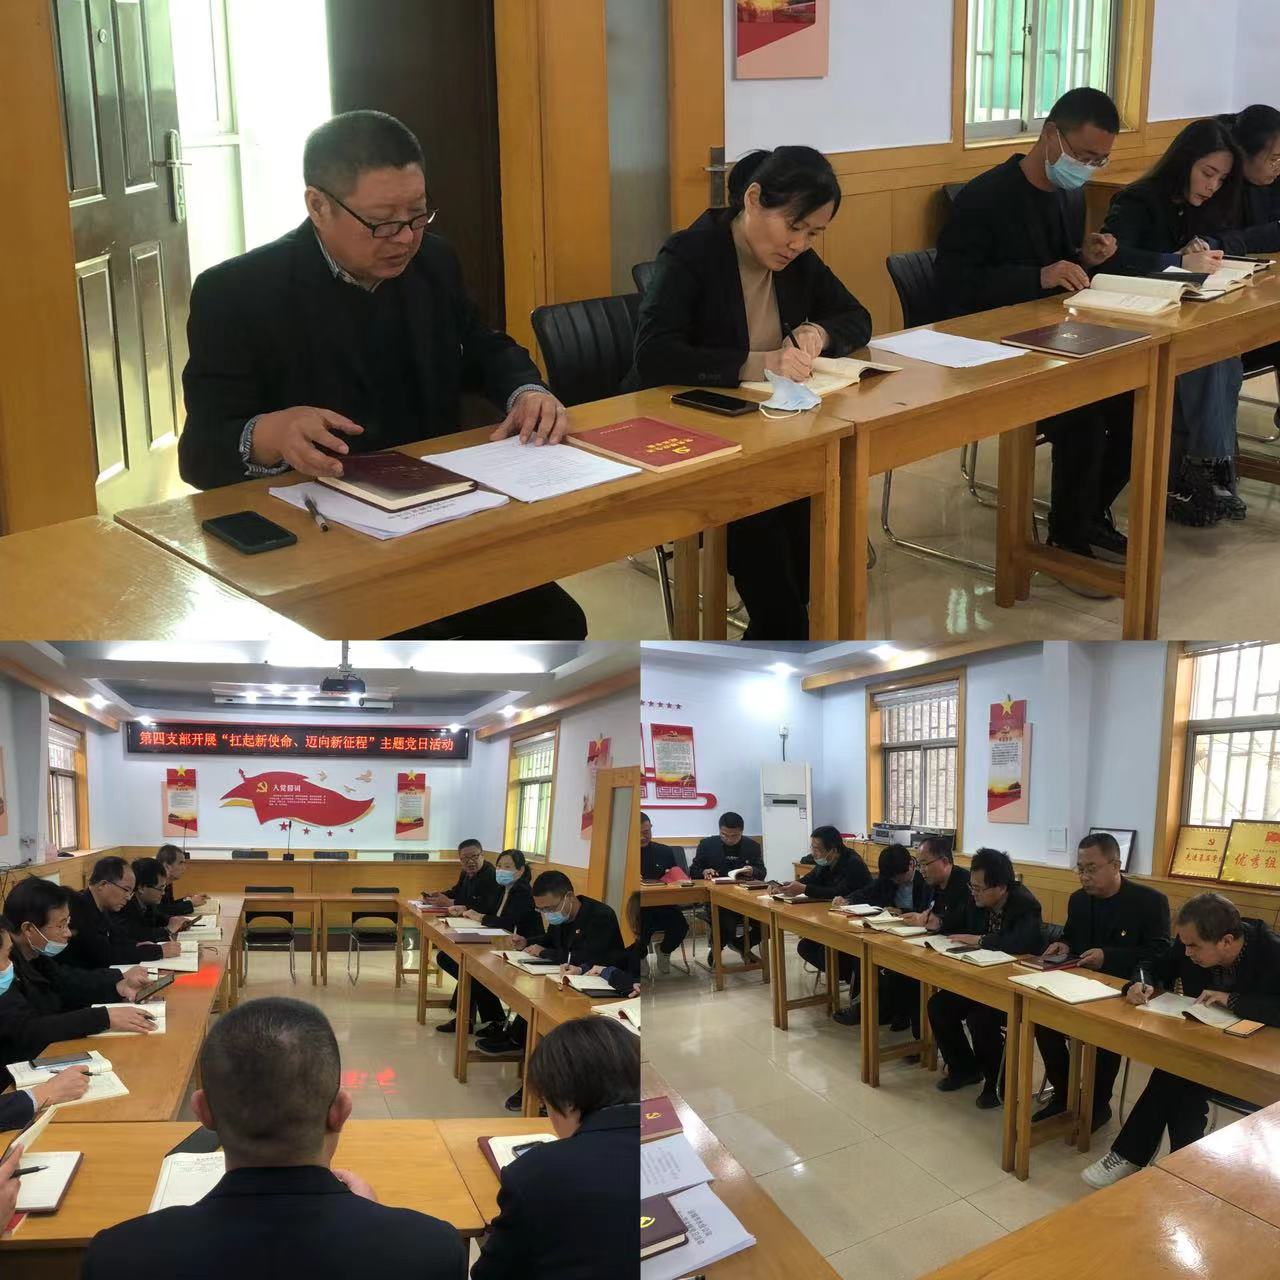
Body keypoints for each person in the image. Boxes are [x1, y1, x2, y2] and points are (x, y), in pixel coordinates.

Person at [179, 109, 584, 641]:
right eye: (382, 221)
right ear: (318, 205)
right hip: (319, 544)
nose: (405, 238)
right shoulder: (237, 293)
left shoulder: (433, 262)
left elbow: (481, 345)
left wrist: (526, 391)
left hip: (435, 519)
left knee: (557, 625)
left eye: (418, 215)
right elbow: (200, 452)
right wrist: (271, 434)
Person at [628, 146, 873, 638]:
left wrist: (817, 333)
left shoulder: (797, 261)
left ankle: (775, 640)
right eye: (794, 226)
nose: (799, 244)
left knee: (816, 551)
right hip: (697, 437)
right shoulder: (691, 253)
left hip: (774, 434)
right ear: (754, 199)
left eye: (813, 234)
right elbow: (655, 355)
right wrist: (760, 363)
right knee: (778, 585)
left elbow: (856, 316)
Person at [81, 996, 467, 1278]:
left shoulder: (118, 1258)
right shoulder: (430, 1249)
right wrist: (372, 1220)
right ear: (340, 1111)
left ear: (203, 1112)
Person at [936, 87, 1132, 581]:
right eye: (1083, 155)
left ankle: (1089, 513)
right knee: (1084, 414)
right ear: (1050, 136)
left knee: (1135, 400)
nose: (1087, 168)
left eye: (1100, 160)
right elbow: (954, 285)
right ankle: (1066, 537)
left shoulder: (1067, 195)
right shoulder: (984, 197)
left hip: (1050, 339)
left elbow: (1058, 264)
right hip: (987, 348)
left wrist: (1085, 258)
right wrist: (1038, 277)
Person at [1102, 118, 1246, 525]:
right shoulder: (1138, 199)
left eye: (1221, 178)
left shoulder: (1201, 205)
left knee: (1223, 350)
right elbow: (1111, 260)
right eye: (1208, 173)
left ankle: (1203, 468)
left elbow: (1206, 244)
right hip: (1128, 318)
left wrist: (1201, 250)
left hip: (1175, 316)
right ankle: (1205, 467)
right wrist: (1176, 261)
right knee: (1205, 357)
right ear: (1185, 162)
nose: (1213, 186)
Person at [1083, 893, 1280, 1189]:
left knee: (1177, 1072)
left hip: (1256, 1060)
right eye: (1184, 944)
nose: (1186, 953)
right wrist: (1140, 982)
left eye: (1193, 946)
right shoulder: (1188, 942)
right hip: (1203, 1046)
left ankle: (1134, 1157)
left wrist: (1233, 1000)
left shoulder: (1271, 951)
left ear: (1226, 941)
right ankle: (1183, 1173)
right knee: (1182, 1074)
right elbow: (1151, 964)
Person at [472, 1017, 639, 1280]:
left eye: (545, 1105)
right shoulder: (671, 1141)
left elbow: (490, 1275)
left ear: (566, 1100)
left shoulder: (535, 1174)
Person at [1034, 833, 1171, 1130]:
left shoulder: (1150, 902)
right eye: (1080, 869)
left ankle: (1098, 1105)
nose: (1084, 876)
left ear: (1116, 865)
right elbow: (1071, 936)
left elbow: (1158, 953)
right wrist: (1063, 945)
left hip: (1126, 991)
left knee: (1104, 1033)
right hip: (1080, 985)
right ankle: (1065, 1095)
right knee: (1043, 1021)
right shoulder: (1078, 900)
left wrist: (1108, 956)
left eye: (1091, 869)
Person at [477, 872, 626, 1110]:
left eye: (549, 908)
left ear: (569, 897)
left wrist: (545, 953)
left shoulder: (600, 915)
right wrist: (527, 941)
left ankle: (543, 1089)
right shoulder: (562, 916)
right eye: (542, 910)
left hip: (599, 989)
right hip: (566, 982)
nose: (547, 914)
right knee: (532, 1001)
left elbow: (588, 957)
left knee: (550, 1024)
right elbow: (550, 939)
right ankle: (519, 1046)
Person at [927, 849, 1043, 1108]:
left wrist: (980, 940)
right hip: (981, 980)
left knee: (980, 1018)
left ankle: (996, 1083)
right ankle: (965, 1069)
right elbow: (957, 921)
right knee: (939, 1006)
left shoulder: (1025, 904)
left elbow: (1020, 942)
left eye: (979, 888)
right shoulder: (976, 899)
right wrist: (938, 922)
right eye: (972, 886)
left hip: (1014, 988)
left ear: (1000, 887)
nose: (973, 893)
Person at [0, 888, 155, 1076]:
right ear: (28, 929)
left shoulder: (35, 956)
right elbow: (28, 1029)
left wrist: (118, 985)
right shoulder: (4, 969)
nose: (68, 933)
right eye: (60, 925)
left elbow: (69, 982)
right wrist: (103, 1018)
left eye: (68, 923)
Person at [1219, 105, 1280, 428]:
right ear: (1243, 154)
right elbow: (1220, 242)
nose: (1278, 167)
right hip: (1229, 316)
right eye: (1274, 159)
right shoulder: (1219, 185)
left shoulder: (1272, 180)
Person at [435, 849, 539, 1036]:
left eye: (507, 867)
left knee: (472, 968)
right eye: (499, 866)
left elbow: (508, 923)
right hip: (494, 940)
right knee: (450, 958)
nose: (501, 870)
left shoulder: (523, 893)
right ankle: (480, 1018)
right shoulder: (501, 888)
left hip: (518, 946)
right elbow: (488, 910)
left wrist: (481, 917)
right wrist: (465, 909)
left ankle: (477, 1018)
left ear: (520, 870)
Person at [774, 827, 870, 997]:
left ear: (833, 850)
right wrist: (786, 886)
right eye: (812, 847)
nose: (813, 853)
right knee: (805, 947)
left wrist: (804, 889)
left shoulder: (853, 864)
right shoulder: (824, 862)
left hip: (852, 923)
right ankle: (846, 977)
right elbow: (810, 879)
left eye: (817, 849)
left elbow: (838, 892)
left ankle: (854, 979)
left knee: (823, 951)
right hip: (829, 917)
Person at [855, 844, 931, 1035]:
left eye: (899, 877)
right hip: (893, 932)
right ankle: (882, 1009)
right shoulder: (889, 877)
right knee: (864, 959)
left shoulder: (925, 880)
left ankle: (905, 1017)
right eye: (892, 879)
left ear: (911, 865)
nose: (896, 882)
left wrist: (902, 911)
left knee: (902, 971)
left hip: (917, 935)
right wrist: (847, 900)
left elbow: (925, 911)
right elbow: (867, 891)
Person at [58, 857, 181, 970]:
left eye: (130, 892)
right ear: (103, 884)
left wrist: (136, 945)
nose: (128, 897)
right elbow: (104, 955)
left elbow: (117, 938)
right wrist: (157, 951)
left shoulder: (103, 907)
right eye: (126, 890)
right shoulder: (79, 910)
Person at [690, 812, 767, 963]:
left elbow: (762, 872)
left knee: (768, 923)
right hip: (717, 901)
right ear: (719, 830)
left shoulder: (752, 846)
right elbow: (693, 871)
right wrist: (703, 871)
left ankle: (741, 945)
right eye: (724, 835)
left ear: (742, 832)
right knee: (727, 924)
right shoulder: (707, 845)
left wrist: (753, 870)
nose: (729, 839)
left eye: (735, 836)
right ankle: (716, 948)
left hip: (746, 899)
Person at [565, 893, 644, 998]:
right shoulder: (635, 948)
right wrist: (581, 969)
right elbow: (616, 958)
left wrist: (604, 971)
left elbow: (630, 982)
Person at [638, 814, 689, 975]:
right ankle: (640, 957)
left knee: (681, 926)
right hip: (638, 906)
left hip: (664, 903)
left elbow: (675, 875)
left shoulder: (664, 851)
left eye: (646, 832)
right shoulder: (624, 853)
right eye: (638, 833)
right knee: (636, 929)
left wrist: (676, 879)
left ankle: (664, 950)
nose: (643, 837)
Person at [900, 835, 972, 934]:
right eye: (919, 865)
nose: (921, 870)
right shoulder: (929, 883)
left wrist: (940, 923)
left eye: (925, 864)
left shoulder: (967, 885)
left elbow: (967, 925)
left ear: (945, 862)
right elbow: (924, 913)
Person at [118, 857, 188, 946]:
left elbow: (159, 919)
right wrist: (167, 930)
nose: (163, 893)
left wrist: (173, 921)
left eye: (164, 888)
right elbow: (140, 935)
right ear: (141, 888)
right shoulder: (126, 906)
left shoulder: (148, 903)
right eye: (160, 888)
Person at [155, 844, 210, 919]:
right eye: (180, 863)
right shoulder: (154, 883)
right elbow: (159, 911)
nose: (184, 868)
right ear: (166, 866)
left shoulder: (168, 882)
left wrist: (187, 899)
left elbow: (170, 906)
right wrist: (190, 904)